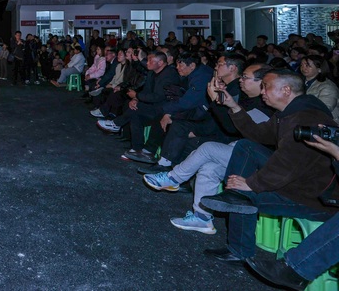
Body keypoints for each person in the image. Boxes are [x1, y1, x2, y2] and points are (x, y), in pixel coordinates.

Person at [198, 69, 339, 265]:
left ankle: (239, 250)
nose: (262, 91)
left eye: (266, 87)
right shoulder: (290, 113)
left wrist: (252, 184)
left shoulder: (305, 119)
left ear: (286, 90)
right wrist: (233, 106)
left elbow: (288, 164)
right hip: (296, 180)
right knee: (246, 147)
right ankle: (233, 194)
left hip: (310, 197)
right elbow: (258, 135)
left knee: (244, 196)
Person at [142, 63, 275, 234]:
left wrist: (216, 102)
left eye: (245, 77)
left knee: (207, 148)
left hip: (259, 157)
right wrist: (221, 100)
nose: (241, 80)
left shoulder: (266, 107)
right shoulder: (248, 99)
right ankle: (202, 218)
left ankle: (173, 178)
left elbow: (233, 128)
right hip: (241, 149)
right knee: (209, 168)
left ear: (262, 82)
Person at [246, 130, 339, 290]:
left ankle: (297, 267)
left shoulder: (309, 112)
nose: (264, 102)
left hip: (320, 202)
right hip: (316, 196)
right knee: (241, 147)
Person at [301, 54, 339, 121]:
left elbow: (324, 109)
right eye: (302, 65)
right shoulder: (300, 82)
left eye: (307, 65)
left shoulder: (328, 87)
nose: (303, 68)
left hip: (325, 123)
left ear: (319, 69)